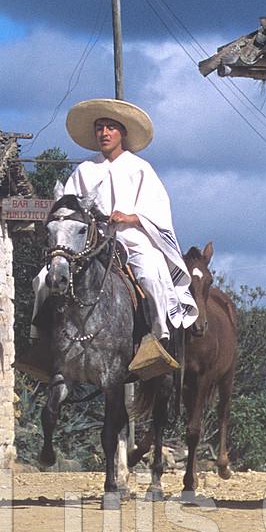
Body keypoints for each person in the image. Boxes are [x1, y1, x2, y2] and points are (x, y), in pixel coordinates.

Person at [54, 98, 196, 379]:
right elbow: (68, 207)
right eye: (99, 128)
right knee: (47, 276)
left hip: (131, 238)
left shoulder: (140, 168)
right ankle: (42, 337)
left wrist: (130, 218)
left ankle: (157, 336)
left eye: (110, 128)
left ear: (122, 133)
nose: (104, 133)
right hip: (90, 241)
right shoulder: (83, 171)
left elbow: (159, 213)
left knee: (150, 276)